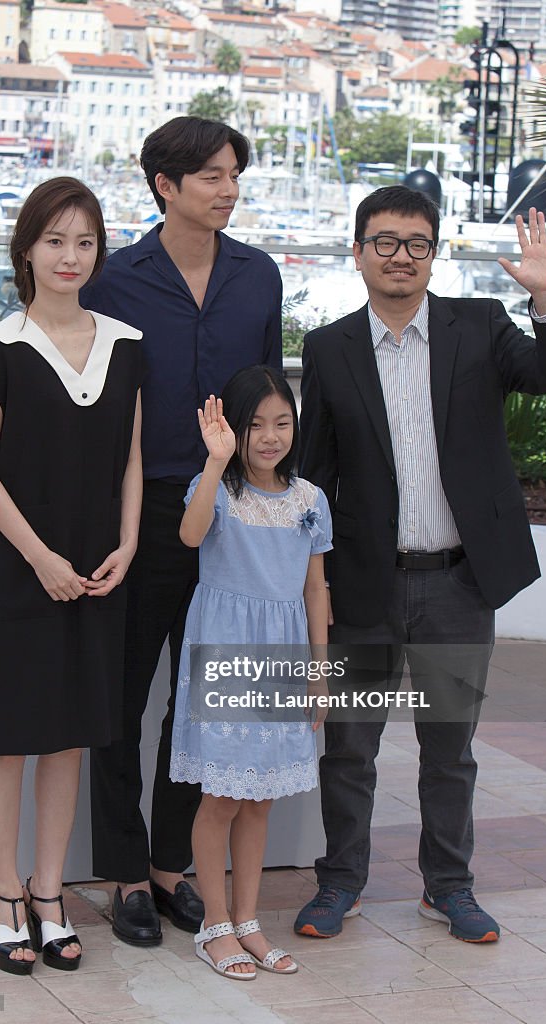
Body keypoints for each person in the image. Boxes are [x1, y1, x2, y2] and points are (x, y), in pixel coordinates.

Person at [0, 118, 282, 944]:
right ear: (164, 185)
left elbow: (266, 387)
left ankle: (173, 864)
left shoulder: (259, 275)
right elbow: (51, 340)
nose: (227, 188)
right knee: (115, 698)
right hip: (137, 510)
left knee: (201, 701)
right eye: (210, 175)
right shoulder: (117, 276)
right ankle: (124, 873)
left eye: (233, 174)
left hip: (229, 513)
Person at [294, 185, 546, 943]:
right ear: (357, 252)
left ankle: (448, 887)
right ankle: (341, 883)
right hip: (364, 580)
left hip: (458, 581)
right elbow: (313, 472)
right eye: (384, 242)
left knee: (448, 751)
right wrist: (305, 577)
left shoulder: (479, 326)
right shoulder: (327, 347)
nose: (400, 257)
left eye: (416, 243)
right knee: (349, 749)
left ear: (434, 252)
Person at [0, 177, 143, 975]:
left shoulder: (127, 343)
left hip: (99, 570)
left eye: (85, 242)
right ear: (27, 248)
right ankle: (4, 895)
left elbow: (131, 461)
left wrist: (129, 544)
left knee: (69, 735)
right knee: (10, 737)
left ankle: (49, 892)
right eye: (55, 241)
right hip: (20, 570)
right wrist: (39, 558)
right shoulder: (1, 347)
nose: (71, 257)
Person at [170, 365, 331, 980]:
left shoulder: (309, 500)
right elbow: (189, 536)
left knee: (260, 800)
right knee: (223, 794)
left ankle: (248, 921)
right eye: (255, 424)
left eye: (282, 422)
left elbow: (316, 589)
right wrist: (214, 463)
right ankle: (214, 926)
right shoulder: (218, 489)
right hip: (226, 648)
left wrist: (318, 673)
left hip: (284, 656)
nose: (269, 435)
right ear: (233, 429)